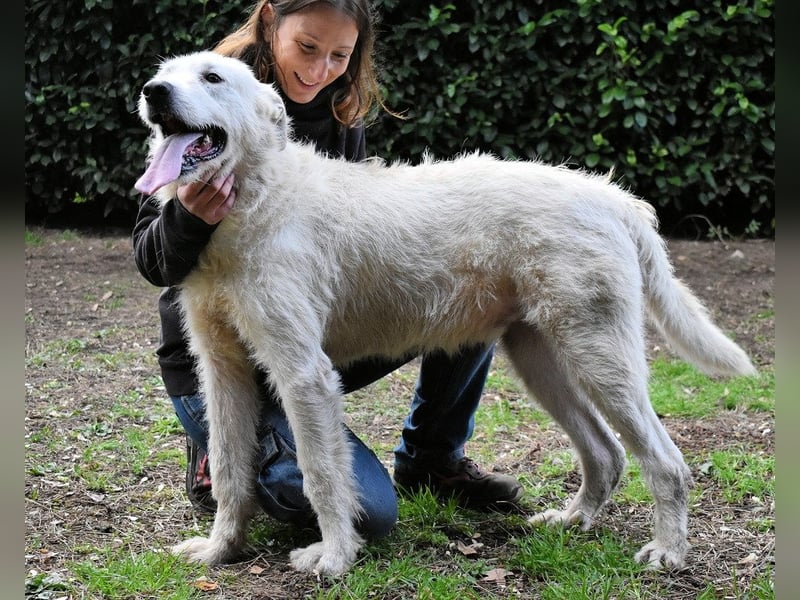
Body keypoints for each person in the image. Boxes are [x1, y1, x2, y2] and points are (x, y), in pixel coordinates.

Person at [132, 0, 523, 540]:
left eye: (340, 55)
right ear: (271, 23)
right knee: (369, 515)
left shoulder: (340, 109)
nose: (320, 69)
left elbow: (348, 227)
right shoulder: (202, 96)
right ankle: (220, 454)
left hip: (305, 332)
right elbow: (152, 261)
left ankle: (433, 457)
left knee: (469, 284)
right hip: (216, 356)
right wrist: (190, 217)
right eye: (307, 48)